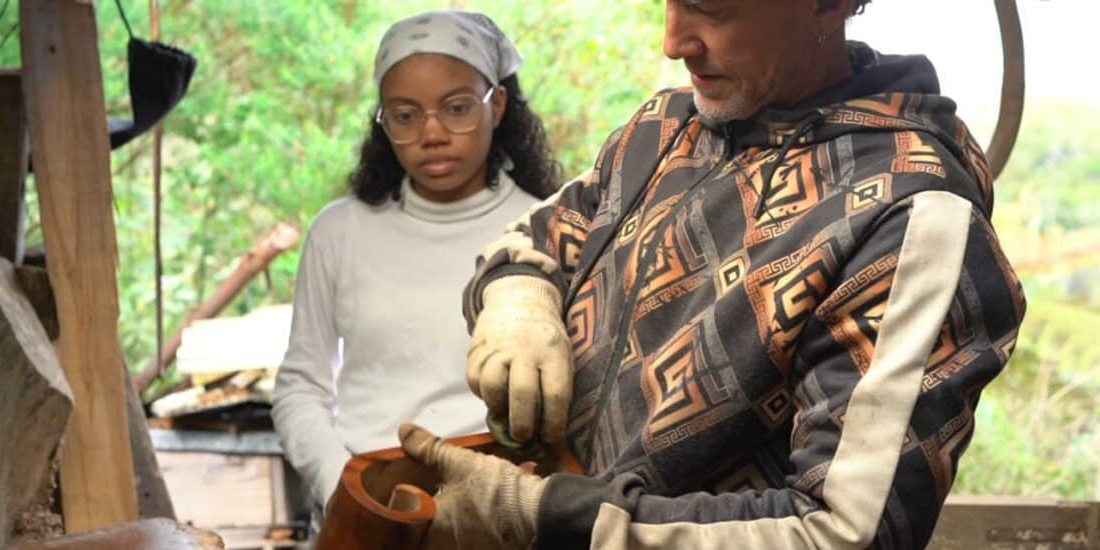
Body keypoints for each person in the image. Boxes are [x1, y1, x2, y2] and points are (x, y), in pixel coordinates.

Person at [399, 0, 1028, 548]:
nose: (674, 42)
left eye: (712, 7)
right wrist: (519, 300)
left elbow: (845, 531)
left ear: (829, 3)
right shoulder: (666, 128)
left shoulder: (913, 217)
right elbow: (542, 235)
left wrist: (548, 515)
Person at [270, 9, 562, 519]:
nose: (432, 134)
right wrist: (343, 490)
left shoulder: (546, 228)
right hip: (368, 503)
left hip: (506, 503)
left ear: (497, 106)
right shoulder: (340, 231)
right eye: (405, 115)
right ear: (383, 123)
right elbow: (300, 386)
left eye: (456, 108)